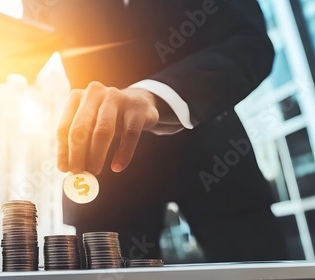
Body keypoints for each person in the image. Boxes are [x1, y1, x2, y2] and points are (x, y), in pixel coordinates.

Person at [21, 0, 289, 262]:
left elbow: (249, 43)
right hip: (102, 165)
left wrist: (155, 94)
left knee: (257, 267)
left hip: (214, 153)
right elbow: (26, 52)